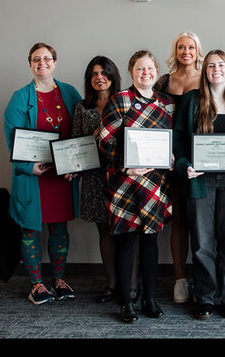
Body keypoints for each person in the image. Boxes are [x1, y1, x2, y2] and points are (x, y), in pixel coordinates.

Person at [174, 50, 225, 319]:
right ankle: (205, 296)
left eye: (221, 65)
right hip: (200, 180)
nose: (216, 69)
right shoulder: (190, 101)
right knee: (203, 243)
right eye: (210, 66)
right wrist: (185, 166)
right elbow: (179, 140)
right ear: (204, 70)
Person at [99, 50, 175, 323]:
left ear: (156, 72)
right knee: (127, 241)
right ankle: (126, 302)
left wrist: (172, 155)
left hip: (154, 183)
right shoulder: (119, 100)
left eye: (150, 69)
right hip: (124, 183)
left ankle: (150, 298)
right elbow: (105, 141)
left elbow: (171, 140)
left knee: (151, 240)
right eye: (140, 69)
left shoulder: (166, 103)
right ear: (132, 72)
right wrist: (124, 165)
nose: (146, 73)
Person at [4, 42, 82, 304]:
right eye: (36, 59)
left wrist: (75, 165)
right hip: (33, 178)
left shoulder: (70, 93)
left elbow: (80, 134)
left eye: (47, 58)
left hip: (61, 177)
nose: (42, 63)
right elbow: (11, 138)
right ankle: (37, 284)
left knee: (60, 229)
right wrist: (29, 167)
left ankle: (58, 279)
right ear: (30, 64)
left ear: (55, 62)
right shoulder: (20, 97)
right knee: (30, 232)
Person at [70, 56, 137, 304]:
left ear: (112, 75)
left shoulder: (126, 101)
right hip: (94, 176)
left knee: (127, 232)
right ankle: (111, 284)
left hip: (123, 174)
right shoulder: (82, 107)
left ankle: (130, 286)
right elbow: (76, 141)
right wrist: (71, 168)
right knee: (105, 232)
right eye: (94, 74)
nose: (99, 77)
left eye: (104, 73)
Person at [154, 31, 205, 304]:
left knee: (203, 222)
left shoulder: (207, 77)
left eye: (191, 47)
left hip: (200, 159)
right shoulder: (164, 81)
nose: (186, 51)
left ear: (199, 50)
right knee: (179, 221)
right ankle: (180, 280)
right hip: (169, 159)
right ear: (175, 51)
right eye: (181, 47)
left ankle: (204, 280)